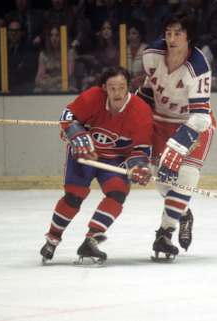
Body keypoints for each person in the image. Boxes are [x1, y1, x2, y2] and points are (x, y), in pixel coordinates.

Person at [40, 66, 153, 263]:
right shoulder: (92, 97)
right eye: (112, 88)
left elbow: (141, 149)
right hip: (86, 154)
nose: (117, 93)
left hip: (115, 159)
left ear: (128, 86)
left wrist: (138, 166)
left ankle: (91, 240)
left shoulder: (141, 111)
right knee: (74, 196)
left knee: (117, 193)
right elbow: (67, 117)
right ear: (103, 88)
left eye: (122, 87)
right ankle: (52, 238)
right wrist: (75, 132)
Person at [137, 12, 216, 259]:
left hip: (194, 125)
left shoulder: (199, 67)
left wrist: (176, 148)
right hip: (161, 122)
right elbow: (148, 93)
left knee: (186, 177)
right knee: (163, 182)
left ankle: (164, 233)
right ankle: (183, 211)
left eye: (178, 33)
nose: (171, 38)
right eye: (168, 32)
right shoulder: (151, 55)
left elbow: (201, 116)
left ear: (189, 37)